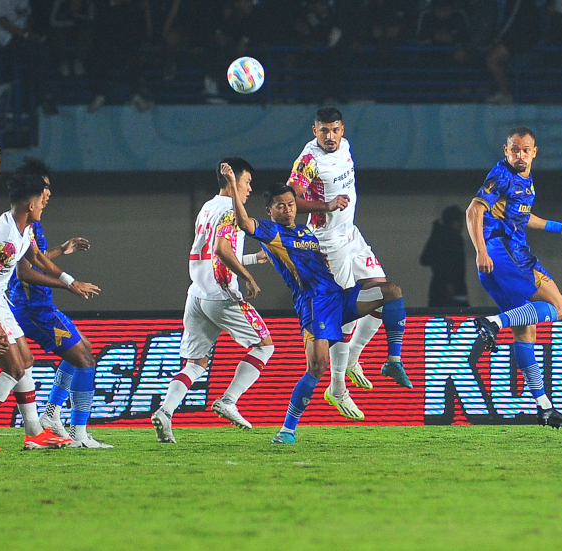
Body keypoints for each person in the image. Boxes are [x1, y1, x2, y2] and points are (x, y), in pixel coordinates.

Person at [226, 175, 408, 443]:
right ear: (269, 211)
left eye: (290, 204)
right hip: (314, 306)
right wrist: (232, 183)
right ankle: (288, 429)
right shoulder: (271, 232)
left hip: (338, 297)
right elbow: (243, 223)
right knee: (317, 366)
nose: (287, 209)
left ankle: (393, 362)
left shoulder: (305, 232)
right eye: (280, 205)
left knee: (391, 291)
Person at [286, 106, 412, 397]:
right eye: (324, 130)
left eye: (335, 130)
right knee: (347, 314)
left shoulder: (345, 147)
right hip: (327, 244)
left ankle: (354, 358)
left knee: (384, 293)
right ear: (314, 131)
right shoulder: (308, 160)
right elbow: (291, 199)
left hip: (351, 236)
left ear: (342, 130)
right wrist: (326, 206)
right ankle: (337, 386)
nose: (330, 136)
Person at [0, 170, 97, 450]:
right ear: (30, 204)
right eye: (42, 199)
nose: (45, 204)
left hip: (1, 300)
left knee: (25, 362)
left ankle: (34, 431)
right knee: (12, 368)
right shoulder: (6, 237)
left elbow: (36, 256)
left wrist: (70, 281)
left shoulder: (22, 228)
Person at [465, 126, 562, 429]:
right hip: (505, 254)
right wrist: (481, 250)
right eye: (514, 149)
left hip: (500, 261)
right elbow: (473, 211)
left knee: (526, 329)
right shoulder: (501, 175)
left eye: (525, 149)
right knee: (558, 308)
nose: (520, 154)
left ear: (534, 152)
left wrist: (561, 227)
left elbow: (522, 215)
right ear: (506, 151)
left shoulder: (523, 181)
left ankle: (544, 408)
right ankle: (492, 323)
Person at [151, 158, 274, 444]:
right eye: (247, 183)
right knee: (264, 345)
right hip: (222, 294)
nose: (249, 189)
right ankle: (228, 400)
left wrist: (253, 259)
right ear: (234, 183)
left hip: (196, 294)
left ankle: (165, 411)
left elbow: (212, 253)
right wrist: (248, 278)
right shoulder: (232, 210)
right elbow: (221, 250)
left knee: (195, 363)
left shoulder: (207, 207)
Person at [8, 159, 111, 448]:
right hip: (33, 309)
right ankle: (78, 434)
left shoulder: (27, 224)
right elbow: (25, 271)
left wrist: (60, 251)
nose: (48, 194)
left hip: (38, 306)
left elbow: (36, 259)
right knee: (84, 360)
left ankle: (52, 415)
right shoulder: (22, 225)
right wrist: (70, 283)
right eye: (45, 189)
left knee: (84, 351)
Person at [420, 205, 469, 307]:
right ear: (453, 222)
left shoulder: (437, 237)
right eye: (460, 222)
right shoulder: (454, 240)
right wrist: (449, 281)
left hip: (438, 290)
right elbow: (454, 264)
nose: (462, 225)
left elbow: (425, 259)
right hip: (453, 290)